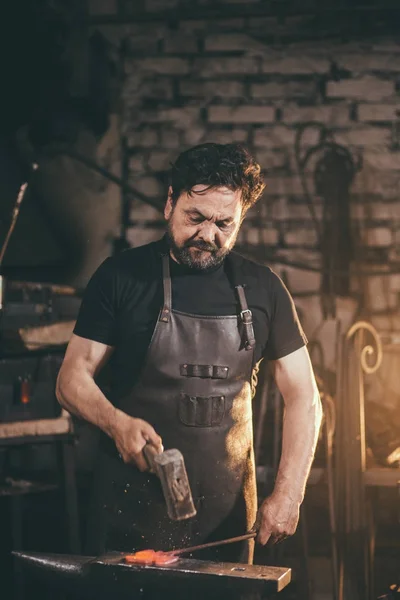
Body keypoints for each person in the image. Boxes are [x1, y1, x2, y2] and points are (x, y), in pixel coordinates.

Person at [56, 142, 322, 565]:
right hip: (130, 519)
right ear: (169, 204)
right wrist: (116, 423)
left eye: (224, 224)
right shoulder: (121, 277)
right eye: (195, 218)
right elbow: (71, 379)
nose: (208, 234)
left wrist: (290, 492)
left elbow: (304, 396)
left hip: (229, 523)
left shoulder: (264, 288)